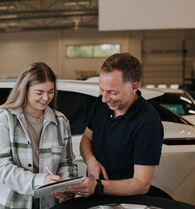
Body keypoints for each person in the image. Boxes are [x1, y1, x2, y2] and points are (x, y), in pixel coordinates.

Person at [0, 62, 78, 209]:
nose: (46, 98)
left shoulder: (61, 121)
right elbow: (2, 168)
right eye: (39, 92)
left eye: (50, 91)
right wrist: (42, 181)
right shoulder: (2, 119)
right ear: (24, 89)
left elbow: (67, 163)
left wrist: (65, 185)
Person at [65, 53, 163, 198]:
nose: (104, 98)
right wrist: (91, 161)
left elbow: (142, 184)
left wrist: (98, 186)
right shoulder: (101, 103)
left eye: (112, 92)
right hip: (95, 198)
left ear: (134, 87)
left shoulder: (148, 123)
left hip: (125, 206)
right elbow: (87, 138)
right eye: (101, 89)